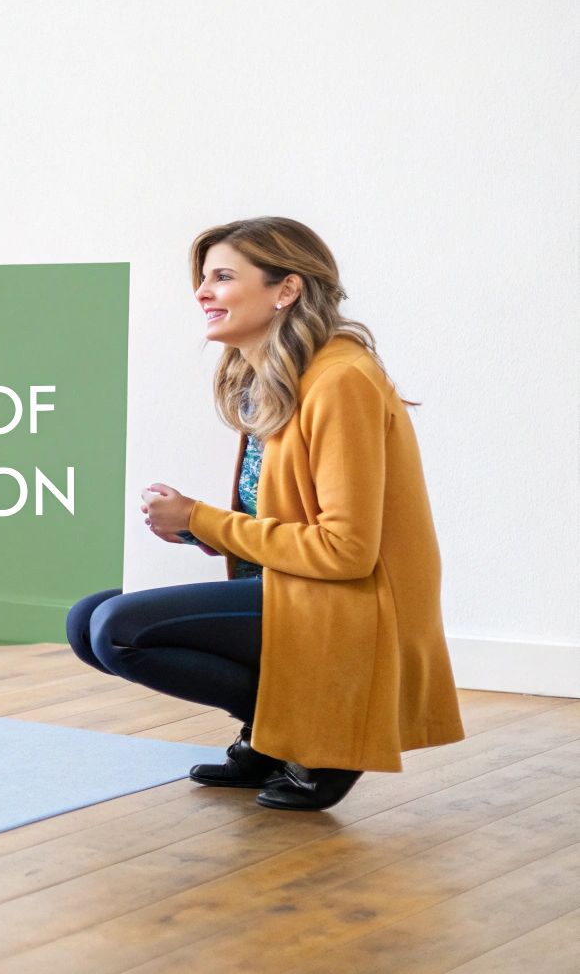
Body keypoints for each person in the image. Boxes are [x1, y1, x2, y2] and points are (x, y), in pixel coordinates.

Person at [66, 217, 463, 811]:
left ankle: (325, 741)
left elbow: (345, 550)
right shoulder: (275, 375)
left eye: (222, 277)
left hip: (351, 605)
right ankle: (274, 734)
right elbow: (281, 514)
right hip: (293, 588)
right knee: (87, 620)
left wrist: (200, 518)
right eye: (203, 278)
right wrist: (192, 530)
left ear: (287, 290)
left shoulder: (340, 381)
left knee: (118, 630)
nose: (202, 293)